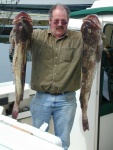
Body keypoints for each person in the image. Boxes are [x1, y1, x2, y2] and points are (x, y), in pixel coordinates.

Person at [10, 4, 83, 150]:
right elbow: (16, 41)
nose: (60, 24)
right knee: (38, 141)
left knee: (63, 143)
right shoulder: (36, 36)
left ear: (68, 21)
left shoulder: (78, 38)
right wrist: (19, 25)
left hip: (66, 101)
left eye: (64, 21)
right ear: (49, 21)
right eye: (56, 21)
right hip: (41, 99)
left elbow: (97, 46)